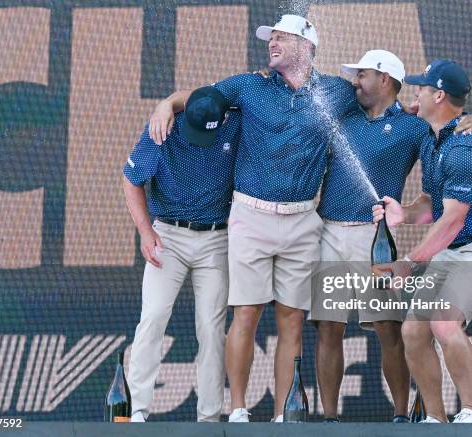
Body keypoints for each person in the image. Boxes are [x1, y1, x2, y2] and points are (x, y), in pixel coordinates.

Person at [149, 14, 359, 422]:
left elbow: (389, 104)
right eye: (271, 37)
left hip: (303, 220)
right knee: (245, 313)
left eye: (281, 37)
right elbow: (199, 98)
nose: (272, 43)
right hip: (250, 215)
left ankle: (284, 414)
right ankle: (239, 409)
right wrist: (166, 103)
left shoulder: (336, 91)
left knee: (292, 322)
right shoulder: (248, 86)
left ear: (307, 46)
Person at [311, 50, 472, 422]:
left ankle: (400, 415)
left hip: (375, 240)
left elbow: (450, 129)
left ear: (385, 80)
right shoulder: (343, 119)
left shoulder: (414, 126)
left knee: (388, 330)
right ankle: (328, 419)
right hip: (328, 233)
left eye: (362, 75)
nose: (355, 82)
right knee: (328, 327)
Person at [372, 59, 472, 423]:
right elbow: (433, 203)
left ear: (438, 95)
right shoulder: (432, 141)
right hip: (454, 250)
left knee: (443, 322)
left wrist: (409, 261)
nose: (414, 91)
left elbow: (452, 220)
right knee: (413, 330)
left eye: (421, 86)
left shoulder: (463, 149)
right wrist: (404, 214)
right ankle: (436, 421)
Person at [123, 86, 240, 422]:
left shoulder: (235, 120)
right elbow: (132, 180)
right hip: (168, 236)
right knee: (154, 316)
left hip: (217, 237)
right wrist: (146, 232)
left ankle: (209, 418)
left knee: (211, 327)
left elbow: (227, 91)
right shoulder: (164, 126)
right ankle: (137, 412)